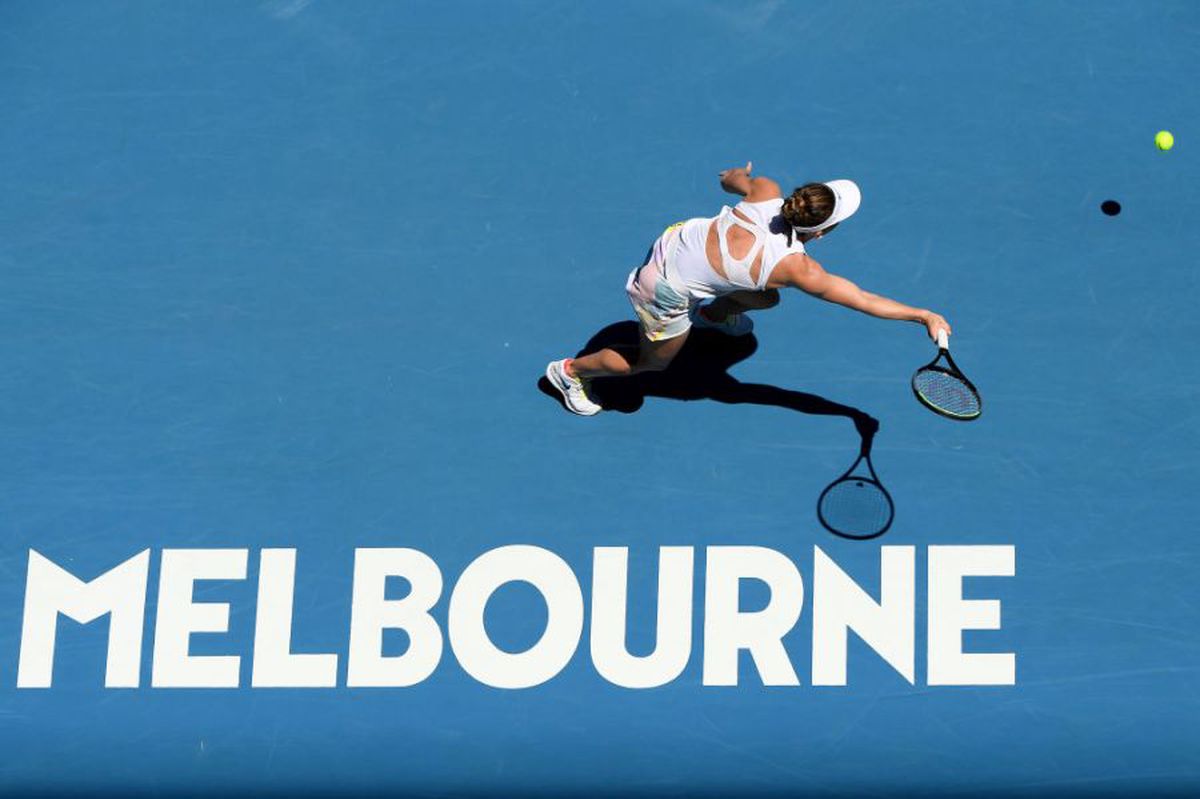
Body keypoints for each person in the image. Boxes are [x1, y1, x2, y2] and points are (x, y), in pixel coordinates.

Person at [545, 162, 951, 416]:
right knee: (653, 364)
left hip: (675, 239)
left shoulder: (767, 191)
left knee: (766, 297)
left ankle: (712, 313)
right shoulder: (796, 268)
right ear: (822, 232)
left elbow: (733, 179)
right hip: (662, 288)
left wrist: (733, 176)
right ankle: (570, 373)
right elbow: (863, 300)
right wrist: (923, 314)